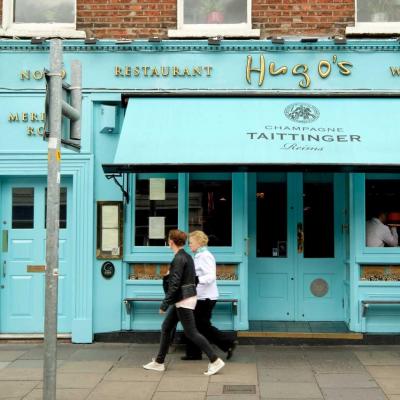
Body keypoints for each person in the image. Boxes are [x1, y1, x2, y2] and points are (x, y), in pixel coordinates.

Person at [143, 229, 225, 376]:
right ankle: (159, 362)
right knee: (166, 327)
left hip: (183, 299)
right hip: (183, 297)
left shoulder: (179, 258)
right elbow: (188, 278)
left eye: (169, 240)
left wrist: (164, 304)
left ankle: (215, 360)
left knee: (191, 332)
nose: (168, 242)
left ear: (172, 242)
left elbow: (175, 285)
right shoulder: (186, 256)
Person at [181, 230, 237, 361]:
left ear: (199, 242)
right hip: (201, 296)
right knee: (195, 325)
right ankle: (194, 353)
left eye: (191, 242)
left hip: (205, 298)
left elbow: (211, 276)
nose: (189, 245)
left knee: (200, 325)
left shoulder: (205, 256)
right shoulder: (199, 255)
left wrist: (196, 281)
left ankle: (228, 343)